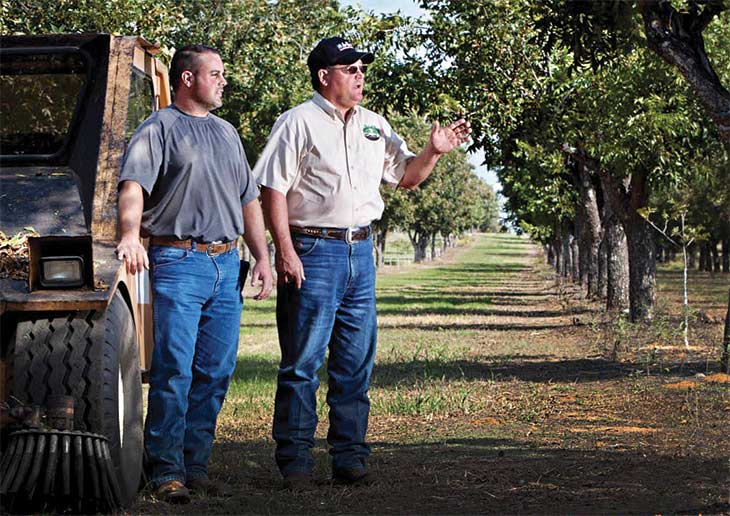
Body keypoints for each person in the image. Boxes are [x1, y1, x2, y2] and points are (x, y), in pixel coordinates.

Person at [253, 36, 470, 488]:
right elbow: (272, 189)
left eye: (361, 68)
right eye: (349, 68)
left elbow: (406, 177)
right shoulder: (297, 122)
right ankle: (295, 463)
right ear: (324, 76)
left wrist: (433, 151)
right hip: (312, 248)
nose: (359, 75)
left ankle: (349, 458)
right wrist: (285, 251)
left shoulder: (375, 124)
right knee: (303, 361)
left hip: (360, 252)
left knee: (354, 362)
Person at [115, 44, 273, 504]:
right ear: (188, 79)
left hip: (227, 264)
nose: (224, 81)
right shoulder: (158, 129)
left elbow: (249, 202)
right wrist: (129, 235)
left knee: (216, 371)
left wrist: (261, 257)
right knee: (174, 370)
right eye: (216, 73)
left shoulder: (227, 133)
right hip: (178, 263)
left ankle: (195, 464)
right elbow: (133, 187)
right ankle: (165, 468)